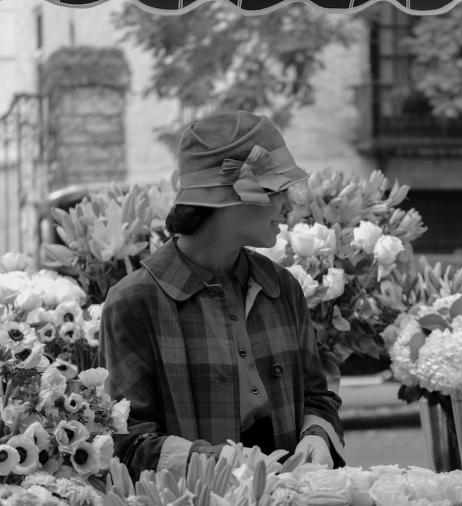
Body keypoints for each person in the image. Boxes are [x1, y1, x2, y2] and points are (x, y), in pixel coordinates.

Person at [100, 110, 345, 480]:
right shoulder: (135, 301)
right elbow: (125, 439)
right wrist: (217, 465)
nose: (290, 205)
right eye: (277, 191)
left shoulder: (281, 287)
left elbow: (317, 396)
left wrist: (317, 437)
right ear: (231, 200)